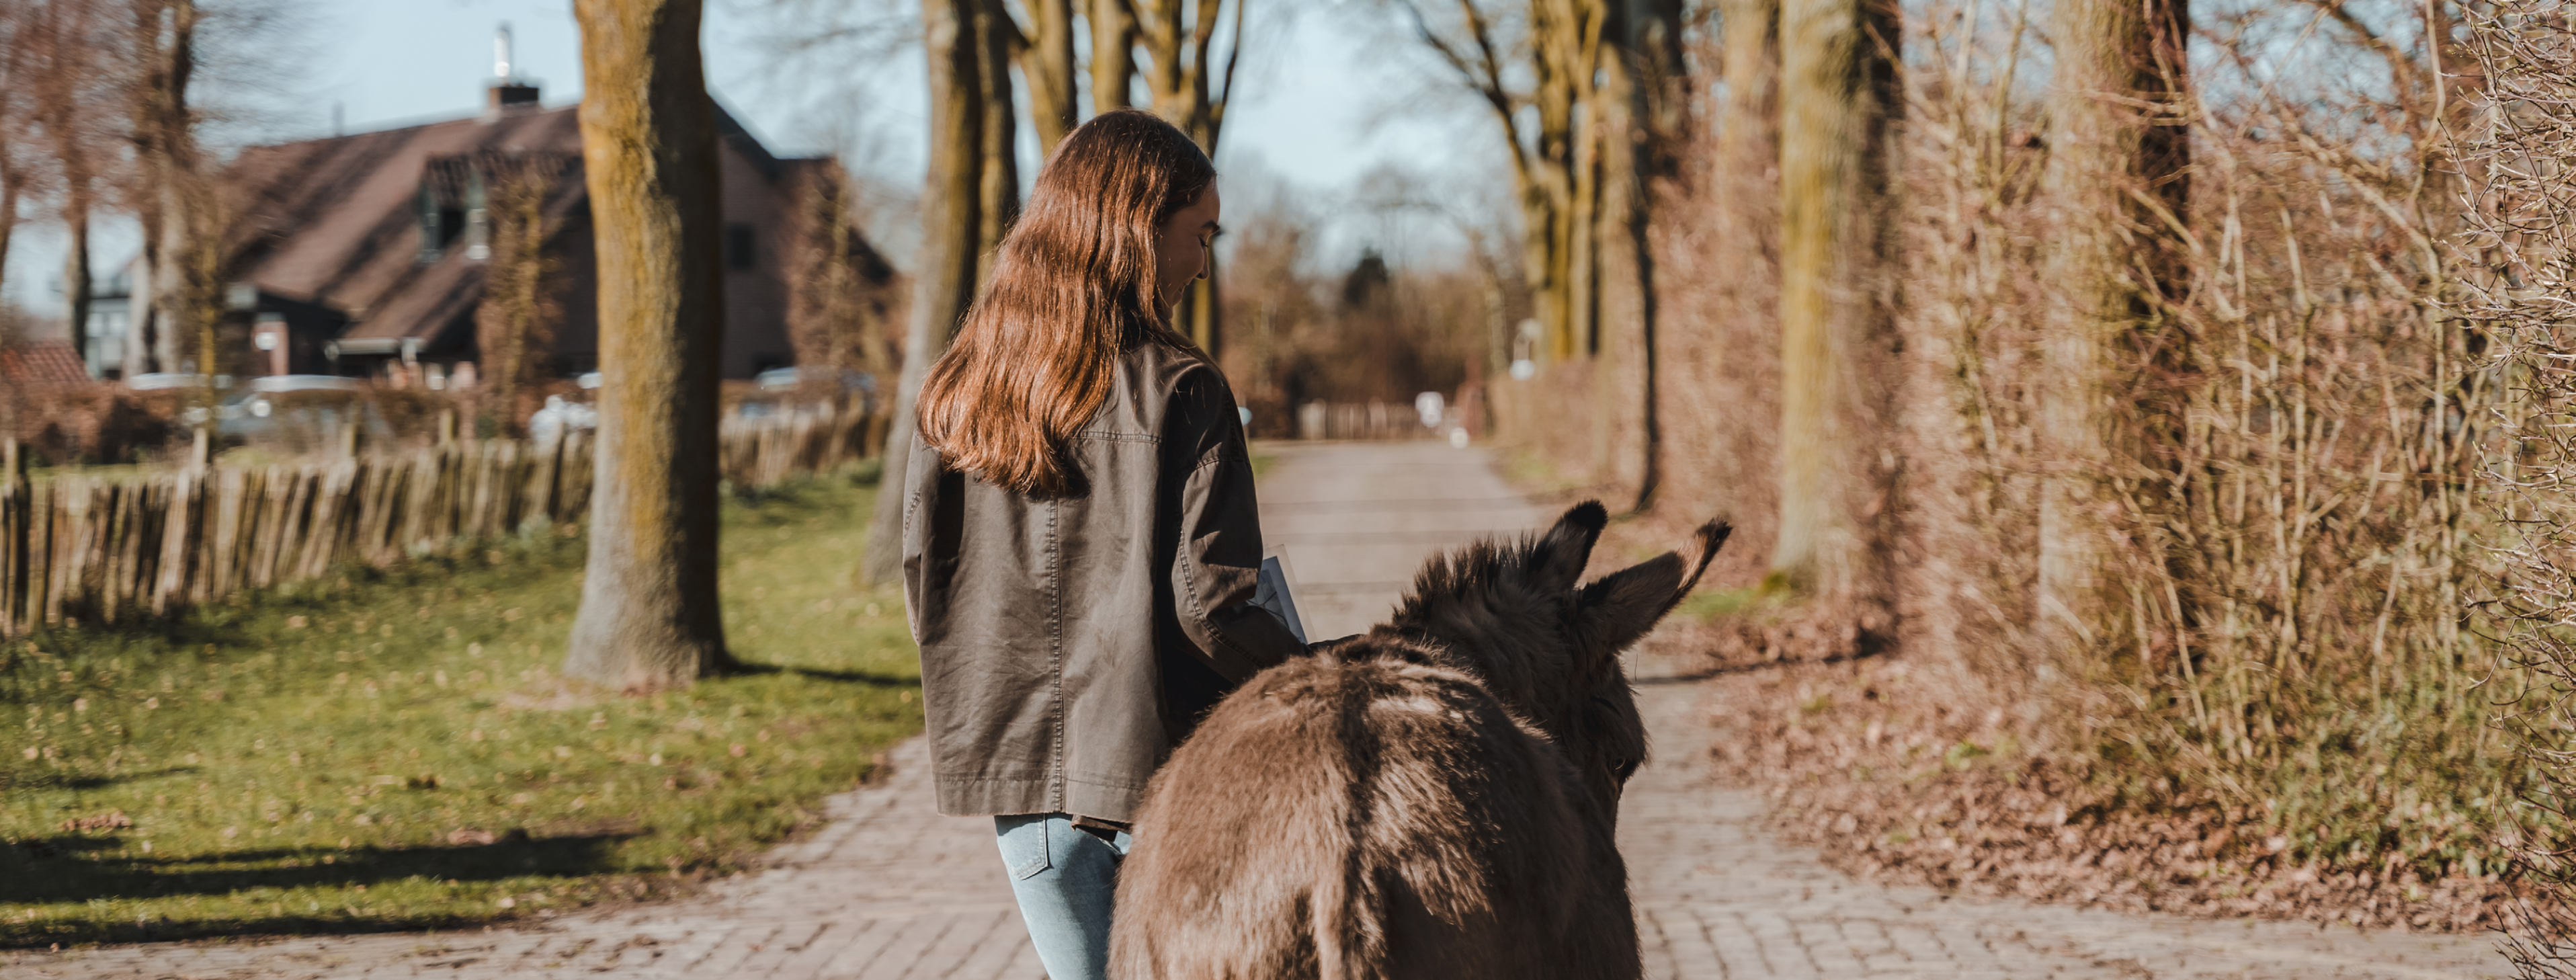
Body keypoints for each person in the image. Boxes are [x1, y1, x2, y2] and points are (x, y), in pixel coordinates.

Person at [898, 110, 1308, 980]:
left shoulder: (959, 389)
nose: (1205, 259)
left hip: (1025, 794)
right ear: (1137, 225)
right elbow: (1215, 605)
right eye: (1199, 233)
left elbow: (923, 581)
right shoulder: (1183, 389)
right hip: (1168, 782)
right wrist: (1312, 673)